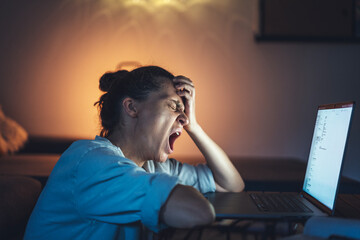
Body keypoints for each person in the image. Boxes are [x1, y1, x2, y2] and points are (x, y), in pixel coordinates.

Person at [24, 66, 244, 240]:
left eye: (184, 110)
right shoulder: (90, 162)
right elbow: (197, 212)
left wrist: (194, 126)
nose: (184, 117)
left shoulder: (151, 167)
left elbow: (229, 184)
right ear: (131, 107)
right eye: (173, 106)